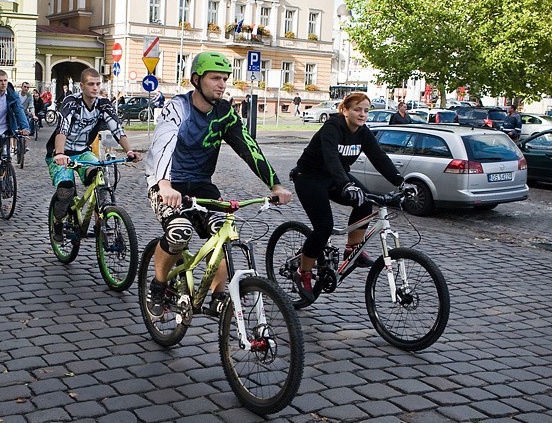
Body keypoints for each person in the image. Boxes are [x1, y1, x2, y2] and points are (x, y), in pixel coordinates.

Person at [144, 52, 291, 317]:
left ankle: (218, 294)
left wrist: (275, 184)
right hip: (167, 182)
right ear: (196, 80)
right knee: (179, 232)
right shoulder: (178, 108)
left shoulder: (225, 113)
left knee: (227, 234)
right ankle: (158, 284)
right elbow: (162, 146)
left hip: (201, 185)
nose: (222, 84)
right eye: (215, 78)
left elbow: (248, 147)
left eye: (225, 78)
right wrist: (164, 184)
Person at [290, 92, 416, 304]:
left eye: (366, 110)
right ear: (345, 110)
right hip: (310, 177)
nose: (362, 114)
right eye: (357, 109)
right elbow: (331, 158)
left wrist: (401, 182)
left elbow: (379, 157)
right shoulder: (333, 128)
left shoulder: (363, 132)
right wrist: (346, 184)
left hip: (336, 177)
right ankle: (303, 272)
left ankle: (352, 249)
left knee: (365, 202)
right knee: (323, 227)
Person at [47, 68, 141, 242]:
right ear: (82, 86)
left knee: (100, 178)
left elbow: (117, 129)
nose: (95, 88)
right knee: (66, 189)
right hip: (61, 153)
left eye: (98, 84)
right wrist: (60, 153)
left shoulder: (103, 104)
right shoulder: (71, 102)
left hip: (83, 153)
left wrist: (129, 150)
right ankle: (58, 221)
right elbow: (62, 129)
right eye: (91, 84)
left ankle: (102, 222)